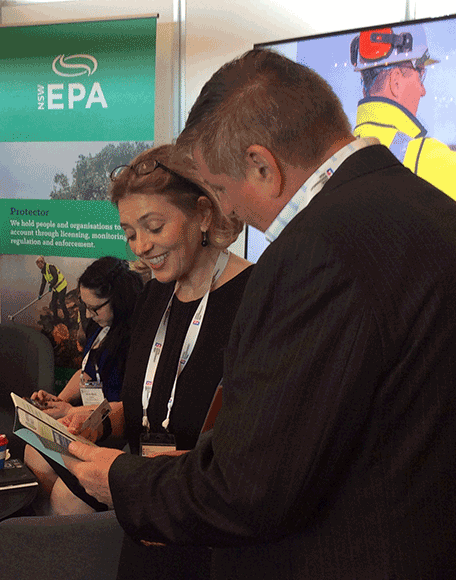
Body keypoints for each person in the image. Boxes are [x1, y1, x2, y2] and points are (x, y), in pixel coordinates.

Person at [66, 49, 456, 579]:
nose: (228, 213)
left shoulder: (313, 253)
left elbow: (251, 489)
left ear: (261, 165)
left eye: (223, 191)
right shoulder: (431, 208)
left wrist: (121, 478)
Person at [65, 144, 252, 577]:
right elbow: (148, 404)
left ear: (203, 214)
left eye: (153, 226)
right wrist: (96, 421)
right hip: (146, 518)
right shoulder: (153, 294)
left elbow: (252, 457)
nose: (142, 246)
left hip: (212, 542)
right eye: (130, 232)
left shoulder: (255, 298)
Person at [25, 256, 144, 515]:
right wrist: (60, 400)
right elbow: (86, 373)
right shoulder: (98, 325)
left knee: (65, 495)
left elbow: (127, 407)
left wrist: (71, 413)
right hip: (88, 418)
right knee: (33, 450)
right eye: (85, 307)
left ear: (119, 301)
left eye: (95, 308)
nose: (89, 314)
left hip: (112, 428)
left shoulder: (137, 339)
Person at [351, 23, 456, 200]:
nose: (423, 91)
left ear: (364, 88)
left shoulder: (338, 158)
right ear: (396, 82)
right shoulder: (431, 160)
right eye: (420, 74)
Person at [36, 256, 70, 323]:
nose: (39, 266)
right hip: (56, 288)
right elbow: (43, 283)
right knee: (53, 303)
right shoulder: (43, 272)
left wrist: (50, 286)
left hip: (62, 286)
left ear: (42, 263)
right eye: (38, 265)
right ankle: (55, 318)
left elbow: (56, 277)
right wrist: (40, 294)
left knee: (61, 302)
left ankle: (67, 318)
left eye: (39, 264)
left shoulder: (50, 268)